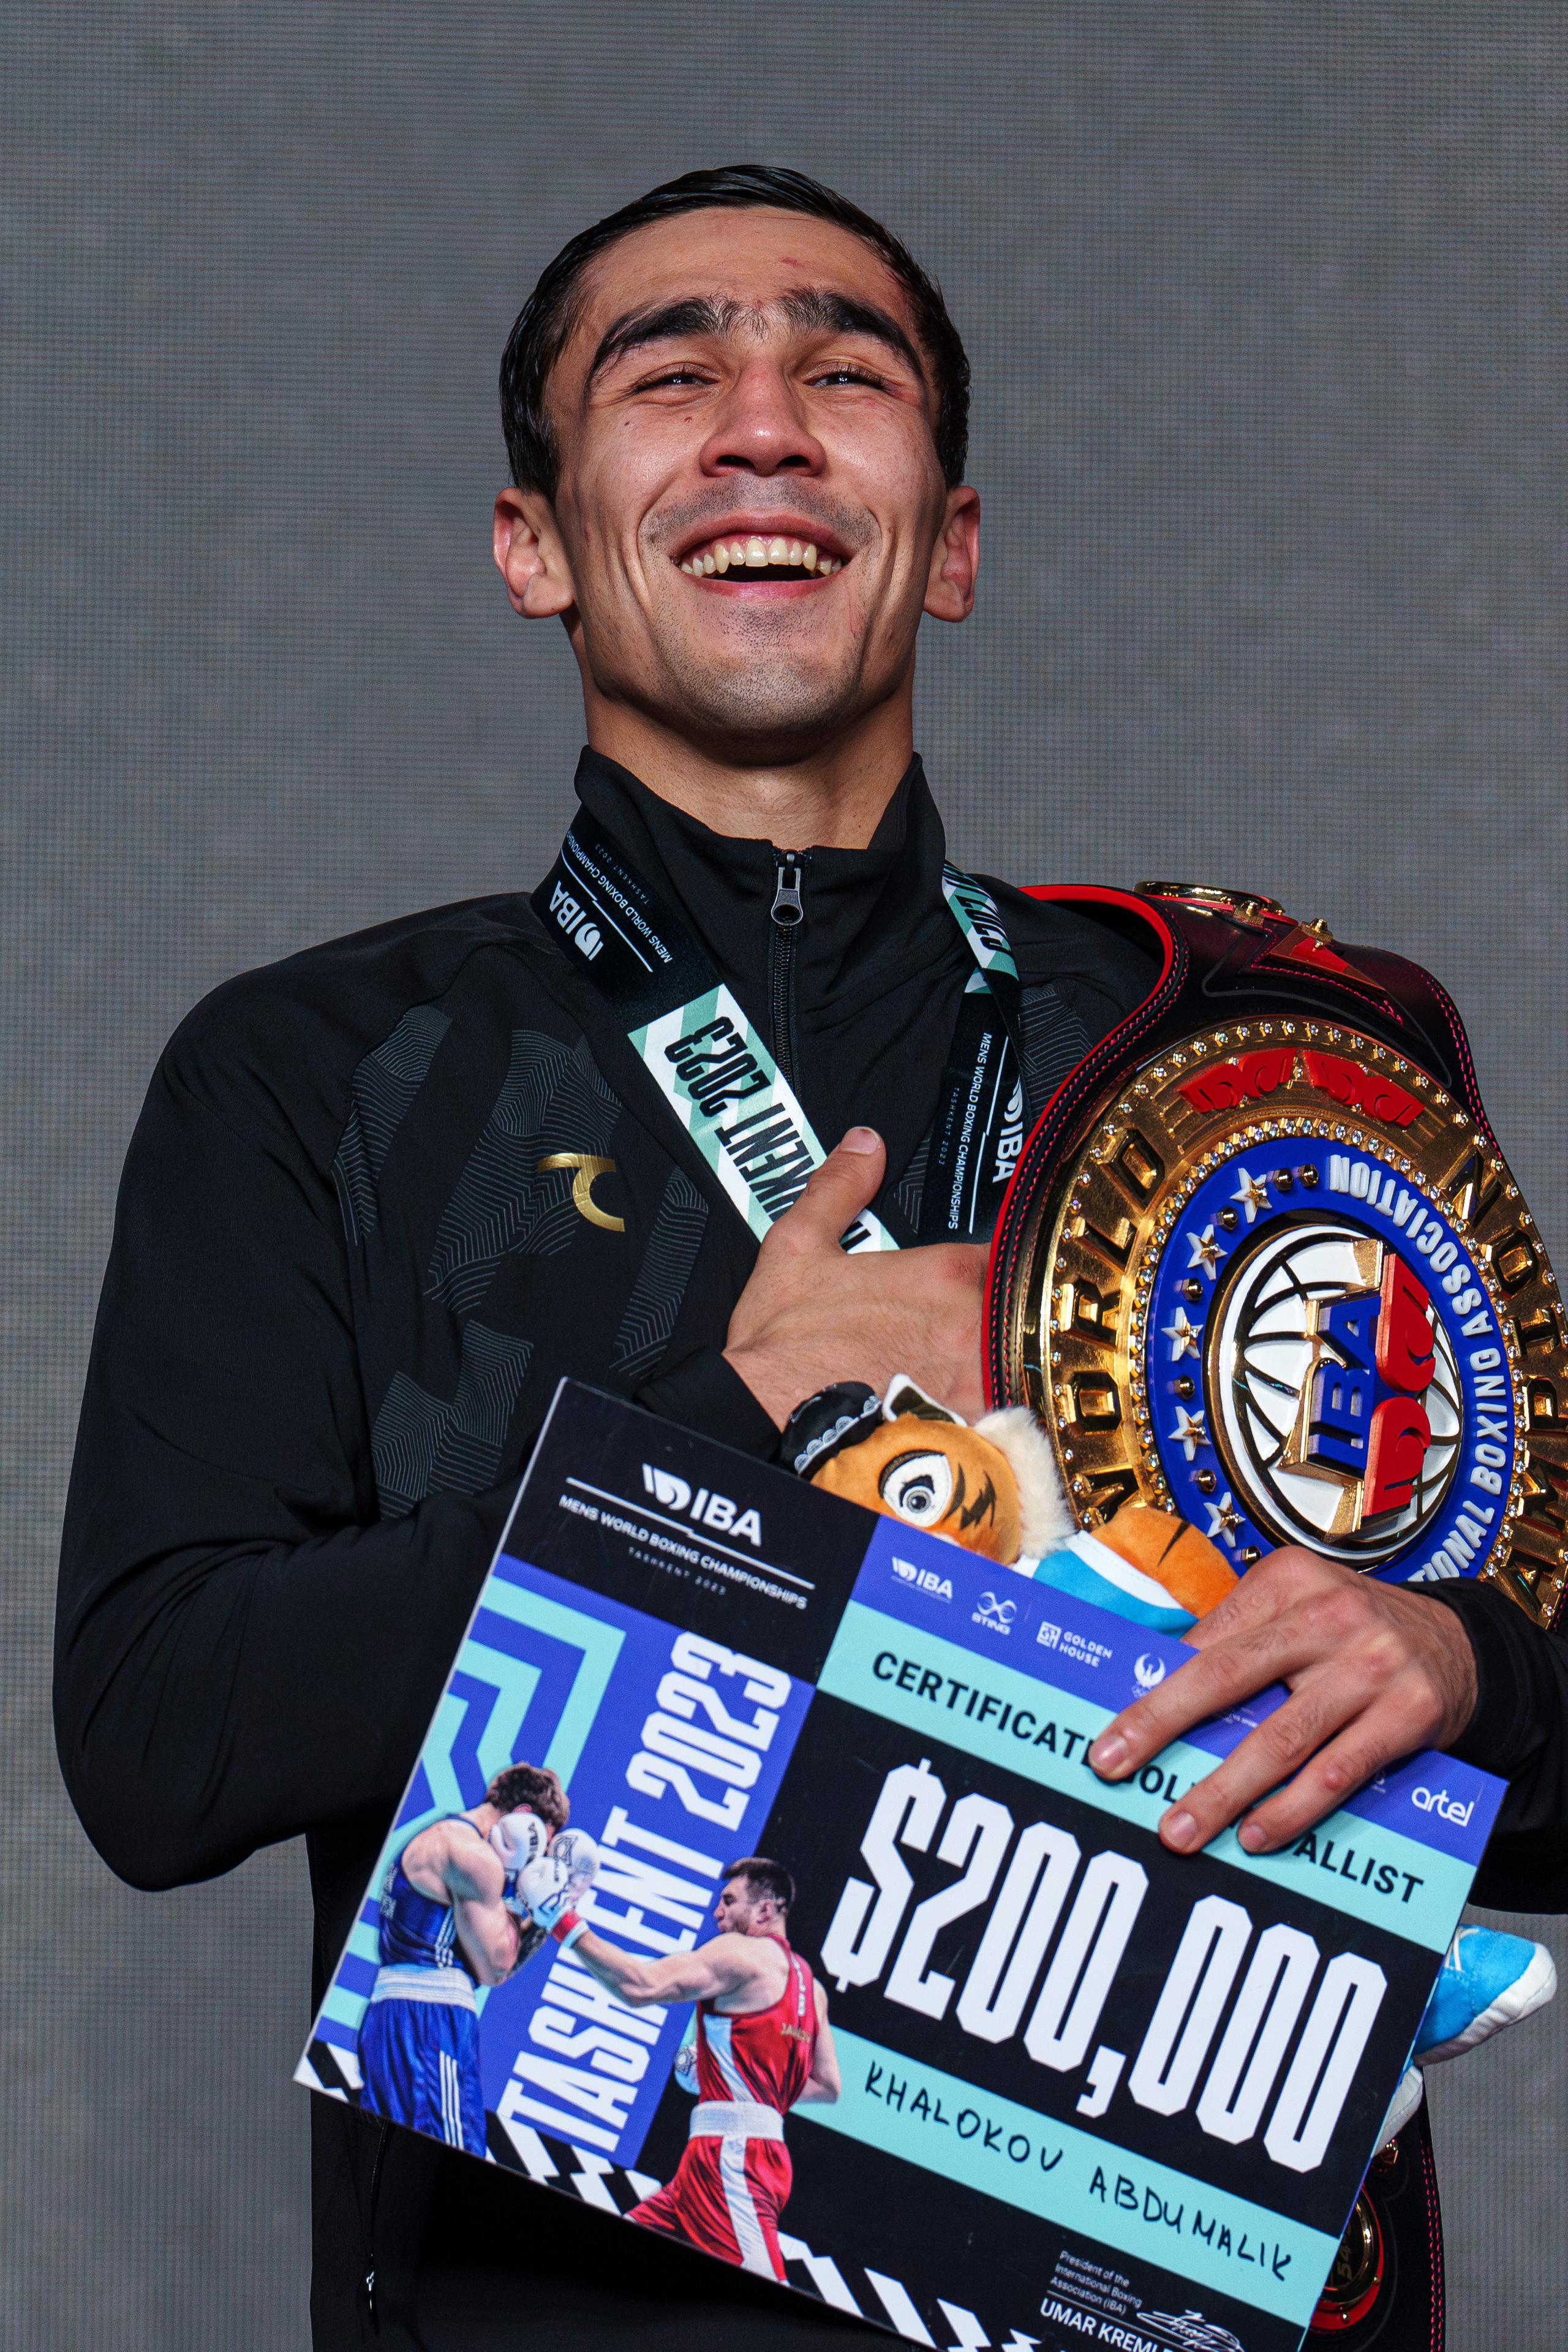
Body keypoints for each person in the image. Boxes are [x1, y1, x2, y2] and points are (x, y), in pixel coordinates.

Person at [51, 162, 1568, 2351]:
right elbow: (158, 1739)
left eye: (840, 371)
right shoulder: (314, 1075)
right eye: (666, 373)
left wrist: (1458, 1670)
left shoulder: (1255, 1061)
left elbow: (1537, 1727)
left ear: (946, 545)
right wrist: (732, 1425)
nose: (761, 420)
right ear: (535, 546)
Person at [523, 1852, 837, 2281]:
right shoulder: (811, 1986)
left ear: (765, 1909)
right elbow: (827, 2085)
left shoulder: (742, 1954)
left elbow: (641, 1985)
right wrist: (734, 2079)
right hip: (729, 2159)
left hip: (732, 2160)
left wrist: (561, 1919)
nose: (718, 1911)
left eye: (729, 1900)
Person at [358, 1763, 568, 2158]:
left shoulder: (443, 1835)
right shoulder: (475, 1858)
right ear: (525, 1821)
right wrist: (545, 1913)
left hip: (389, 2016)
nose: (536, 1860)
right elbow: (497, 1968)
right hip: (431, 2022)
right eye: (543, 1844)